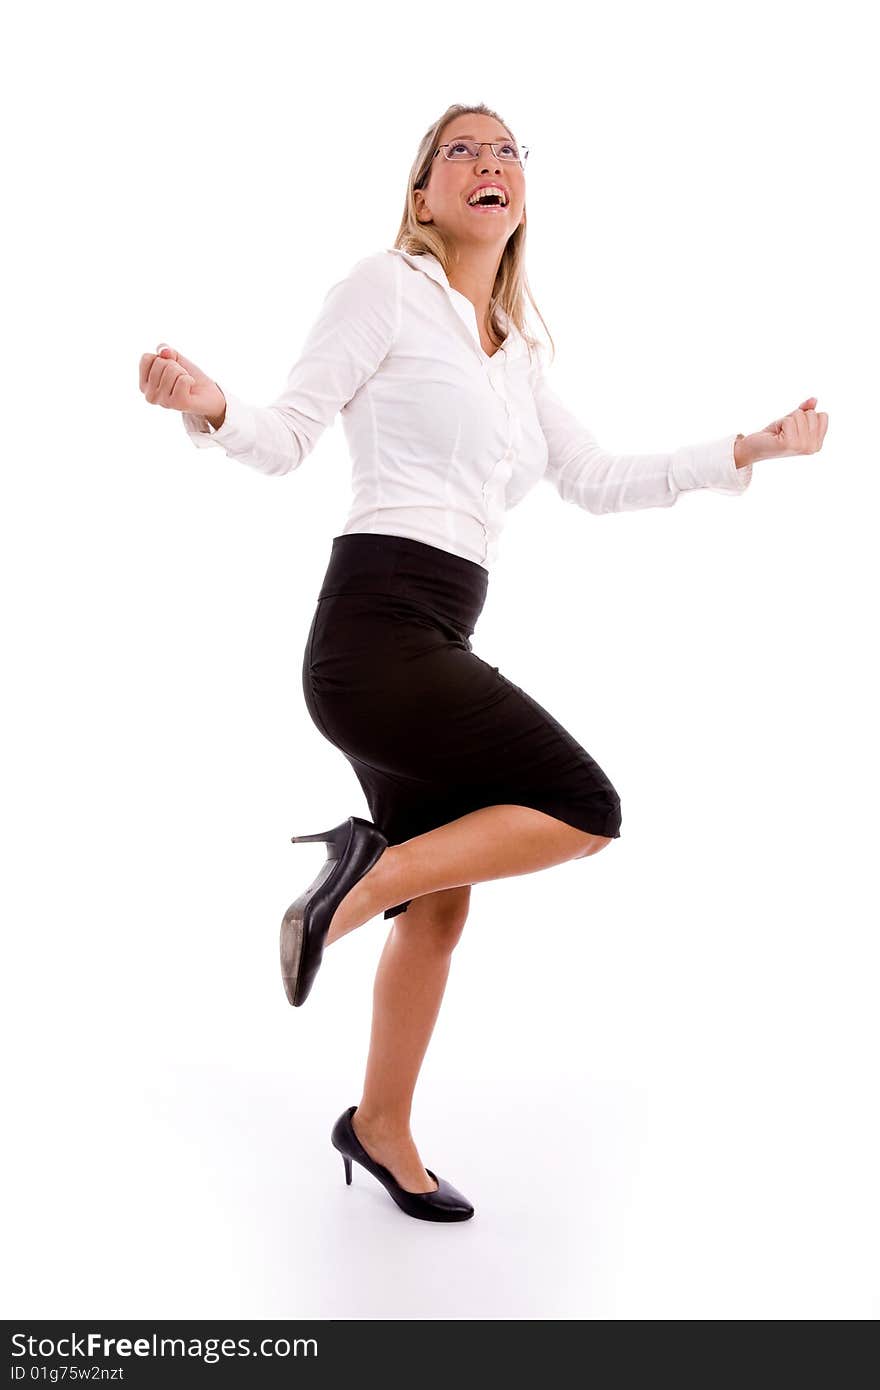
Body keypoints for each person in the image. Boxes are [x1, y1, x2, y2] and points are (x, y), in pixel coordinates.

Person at [139, 103, 828, 1222]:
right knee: (583, 805)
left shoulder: (516, 355)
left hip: (434, 636)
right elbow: (287, 433)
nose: (489, 162)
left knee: (445, 909)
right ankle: (363, 874)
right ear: (423, 196)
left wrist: (741, 451)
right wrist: (211, 405)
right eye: (461, 149)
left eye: (507, 150)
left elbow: (599, 478)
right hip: (374, 633)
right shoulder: (382, 289)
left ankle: (379, 1123)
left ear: (523, 196)